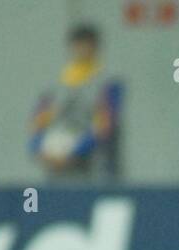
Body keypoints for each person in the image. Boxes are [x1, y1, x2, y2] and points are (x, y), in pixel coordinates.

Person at [30, 24, 124, 181]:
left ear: (96, 47)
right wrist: (39, 148)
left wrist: (73, 152)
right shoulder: (55, 84)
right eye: (78, 44)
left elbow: (105, 126)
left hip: (94, 167)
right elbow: (38, 122)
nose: (82, 49)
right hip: (57, 166)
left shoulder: (109, 83)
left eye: (87, 44)